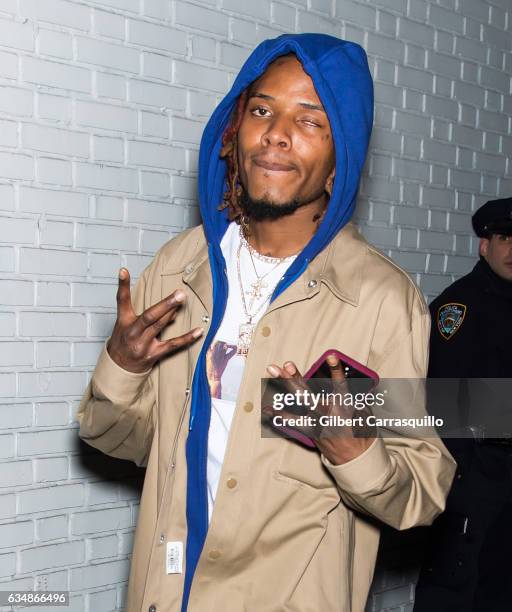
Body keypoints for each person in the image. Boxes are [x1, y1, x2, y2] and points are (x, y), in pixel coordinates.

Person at [77, 34, 455, 612]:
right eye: (262, 110)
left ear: (339, 162)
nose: (277, 132)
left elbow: (423, 491)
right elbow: (124, 444)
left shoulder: (381, 301)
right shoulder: (178, 270)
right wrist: (121, 370)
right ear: (234, 133)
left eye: (310, 120)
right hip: (166, 591)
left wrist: (356, 454)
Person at [414, 197, 512, 612]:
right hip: (474, 478)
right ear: (483, 245)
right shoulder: (461, 308)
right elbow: (439, 399)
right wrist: (458, 484)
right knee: (456, 592)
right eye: (505, 238)